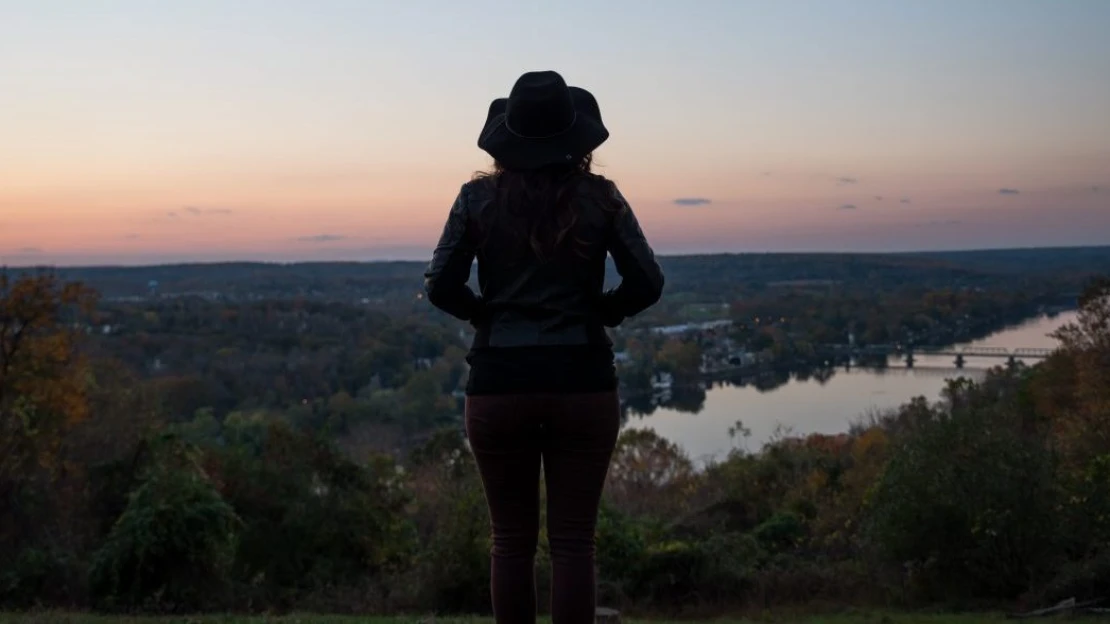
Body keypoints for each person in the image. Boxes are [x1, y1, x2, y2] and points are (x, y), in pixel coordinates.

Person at [423, 70, 664, 624]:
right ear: (575, 140)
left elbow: (440, 284)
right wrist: (602, 311)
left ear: (507, 139)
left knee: (509, 541)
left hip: (499, 381)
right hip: (581, 378)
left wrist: (485, 314)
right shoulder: (601, 198)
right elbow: (647, 282)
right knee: (574, 542)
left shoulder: (476, 198)